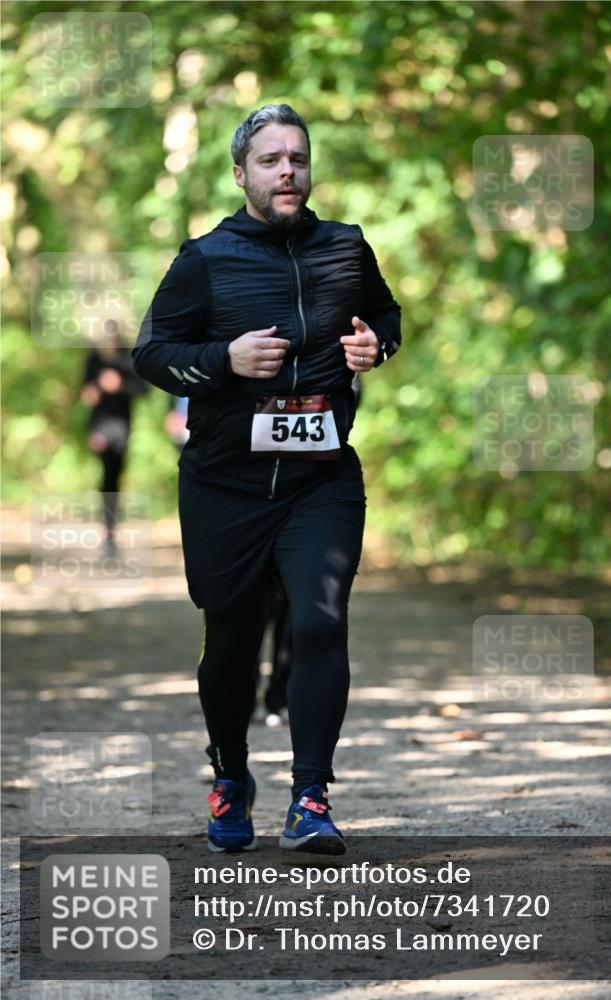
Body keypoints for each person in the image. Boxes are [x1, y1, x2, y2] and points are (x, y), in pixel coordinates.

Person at [133, 103, 401, 855]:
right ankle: (230, 775)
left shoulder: (345, 248)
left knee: (319, 621)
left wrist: (373, 345)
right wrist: (222, 361)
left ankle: (310, 797)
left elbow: (385, 316)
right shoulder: (205, 259)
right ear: (241, 173)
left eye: (298, 158)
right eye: (271, 159)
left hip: (321, 479)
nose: (288, 170)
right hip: (225, 485)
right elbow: (152, 356)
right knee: (232, 640)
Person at [81, 319, 147, 557]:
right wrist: (97, 389)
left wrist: (119, 385)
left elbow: (142, 390)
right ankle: (107, 535)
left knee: (115, 479)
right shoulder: (94, 360)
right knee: (107, 478)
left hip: (122, 428)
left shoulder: (127, 360)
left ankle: (112, 534)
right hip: (100, 427)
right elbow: (86, 396)